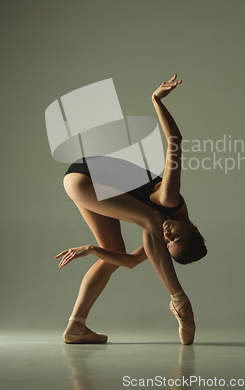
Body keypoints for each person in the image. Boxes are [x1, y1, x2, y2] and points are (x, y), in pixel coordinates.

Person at [55, 74, 207, 345]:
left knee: (112, 254)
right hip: (86, 175)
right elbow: (175, 140)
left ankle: (76, 326)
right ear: (192, 227)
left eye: (168, 242)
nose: (167, 234)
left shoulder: (156, 232)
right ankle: (179, 300)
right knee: (152, 217)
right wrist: (156, 99)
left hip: (87, 187)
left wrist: (91, 249)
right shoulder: (169, 200)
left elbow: (130, 262)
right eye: (176, 236)